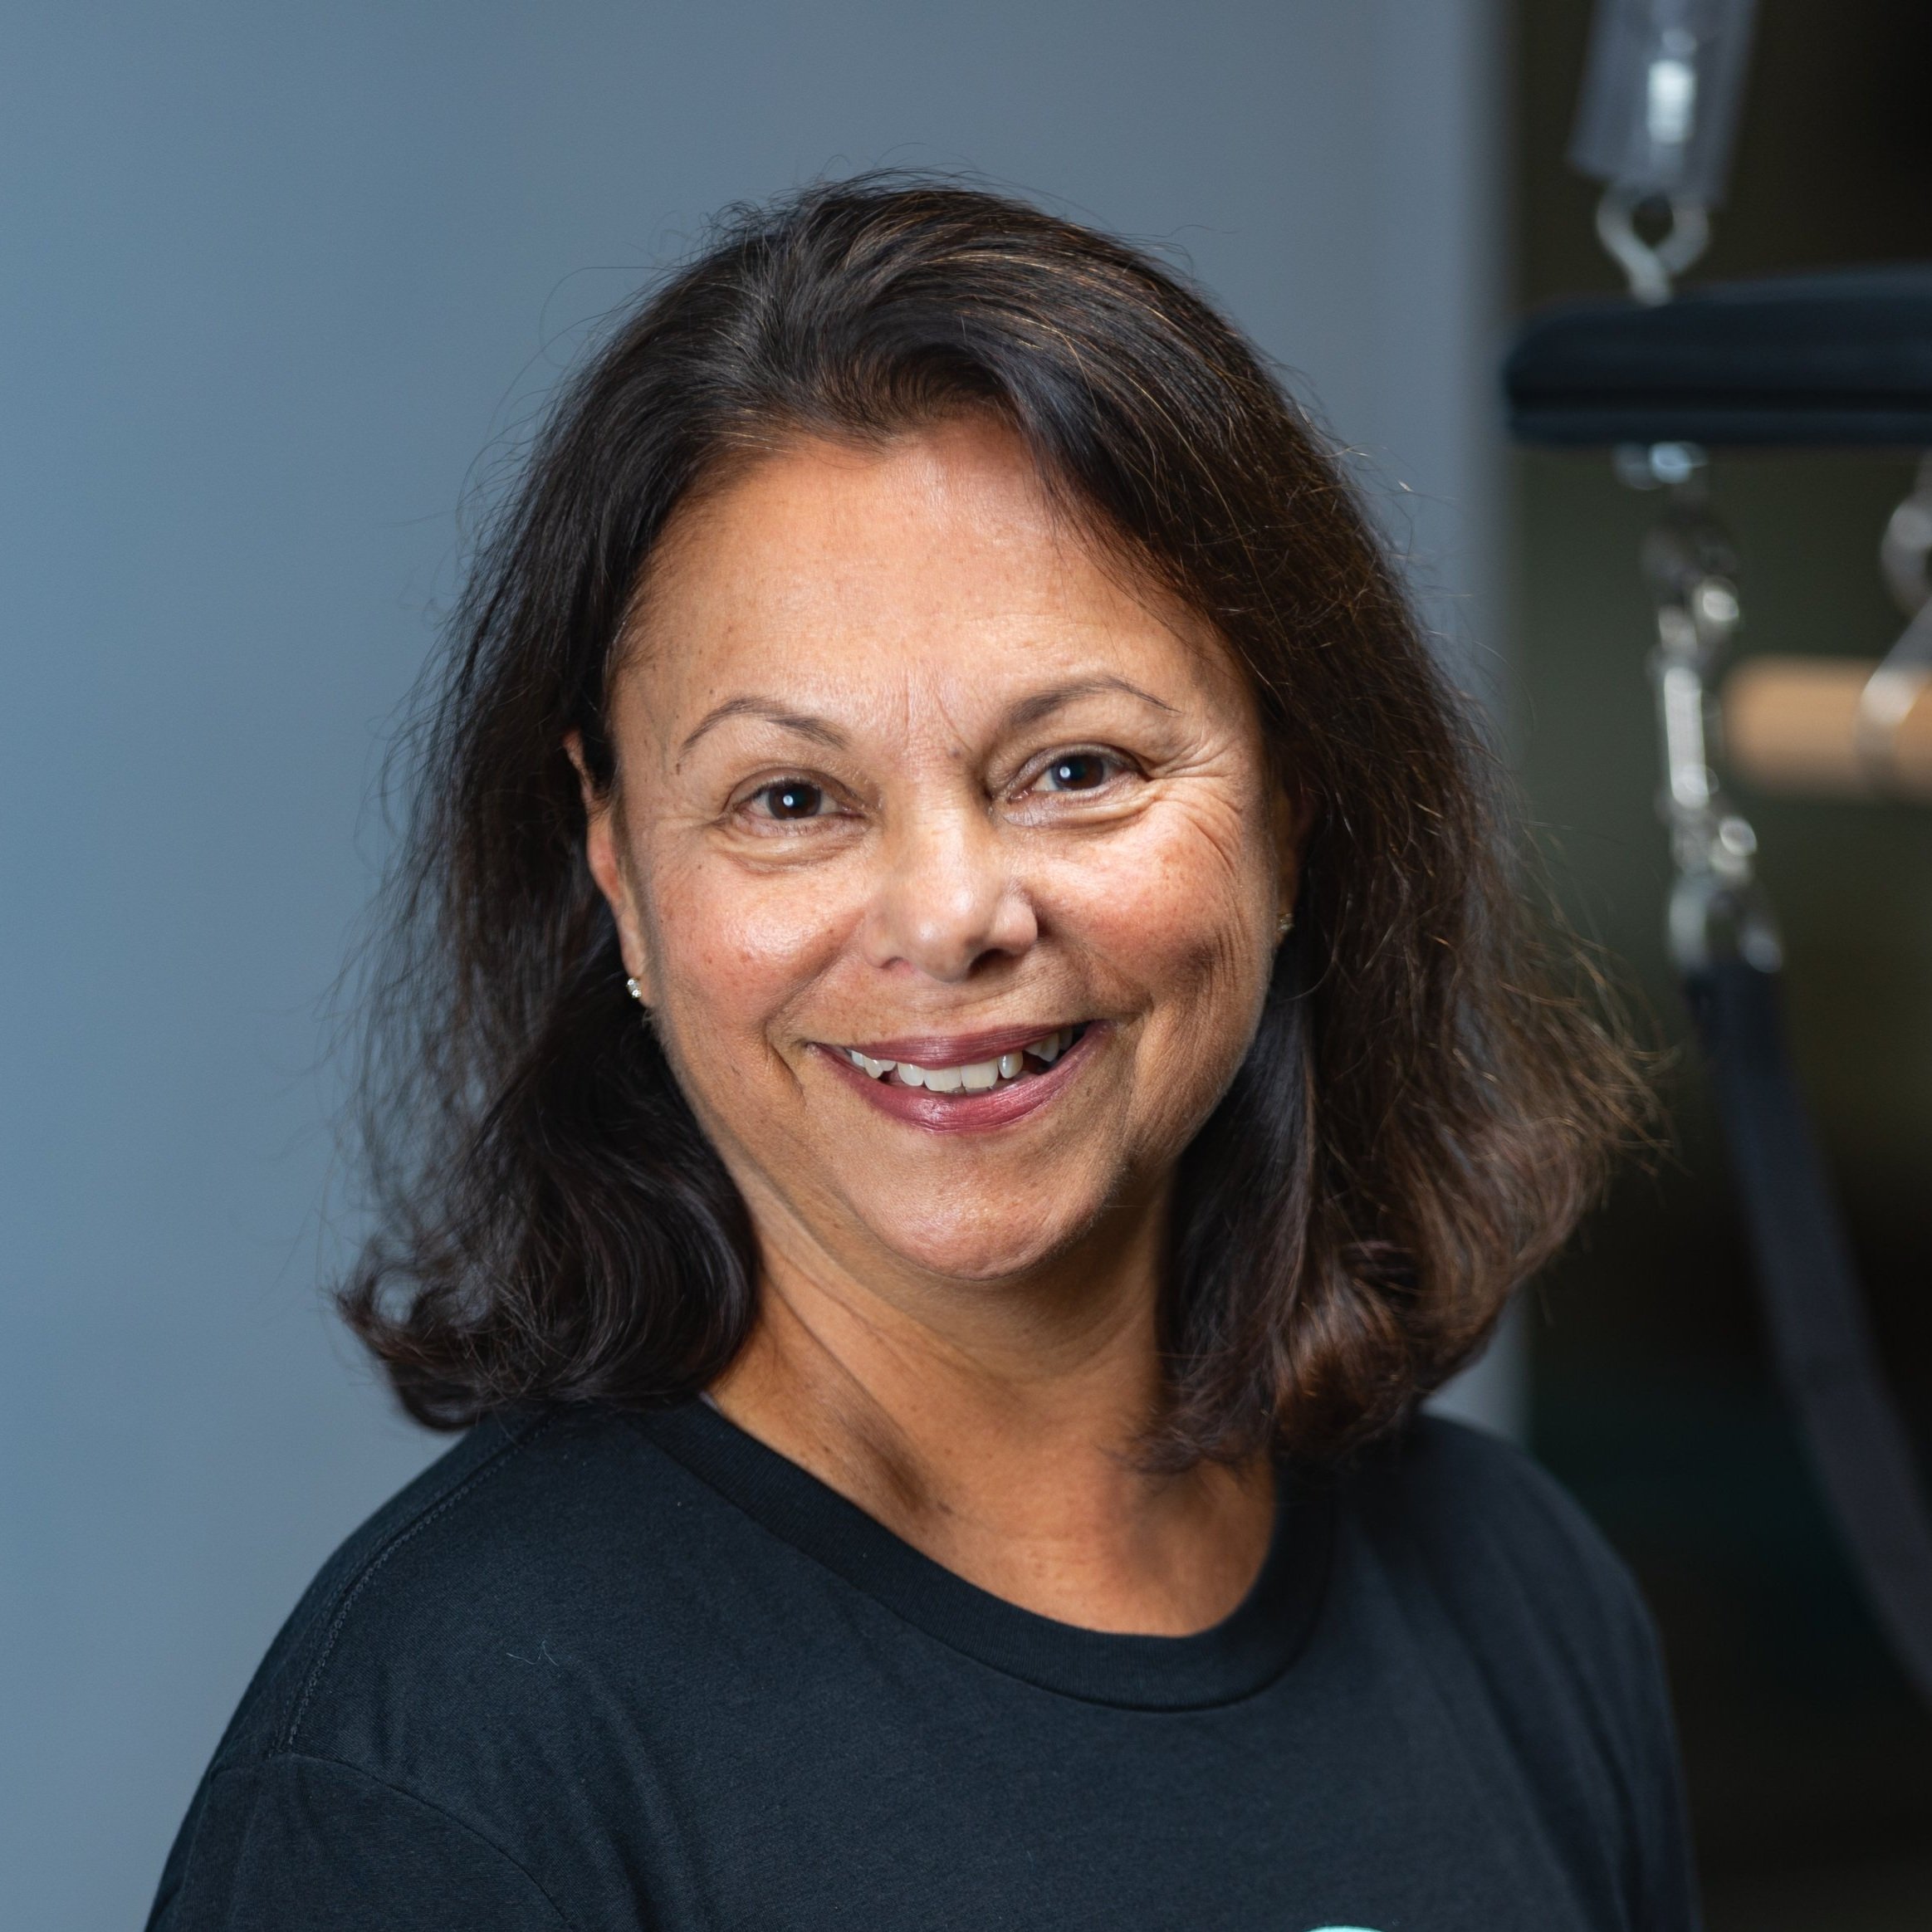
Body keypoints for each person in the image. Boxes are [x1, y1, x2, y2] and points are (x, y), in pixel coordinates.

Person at [147, 179, 1691, 1931]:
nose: (952, 915)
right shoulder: (447, 1758)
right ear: (621, 873)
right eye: (791, 799)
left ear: (1294, 803)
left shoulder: (1521, 1603)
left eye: (1078, 766)